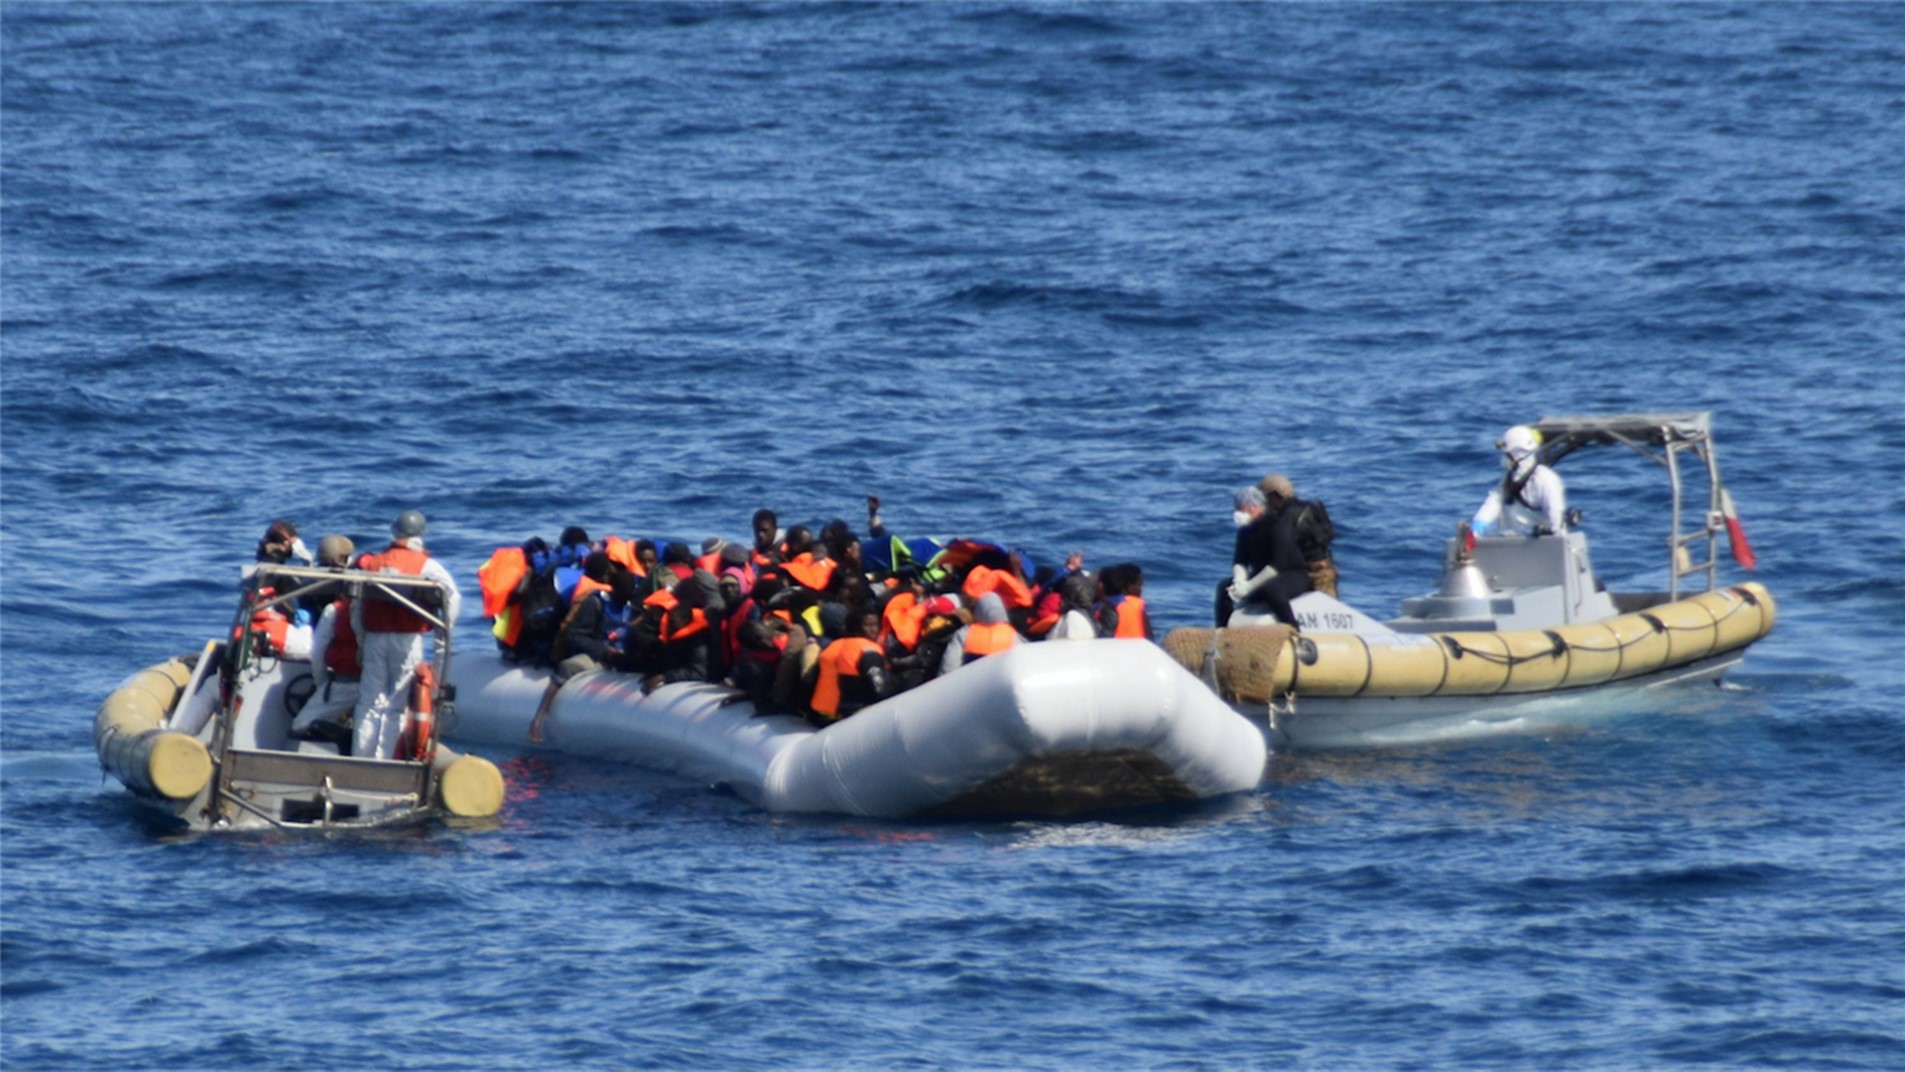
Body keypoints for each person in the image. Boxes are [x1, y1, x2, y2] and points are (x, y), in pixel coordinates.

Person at [351, 510, 462, 760]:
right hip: (408, 638)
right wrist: (443, 631)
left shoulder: (373, 562)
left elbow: (357, 605)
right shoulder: (426, 565)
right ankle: (387, 760)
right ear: (420, 535)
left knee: (368, 702)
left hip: (375, 638)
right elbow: (452, 596)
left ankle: (361, 757)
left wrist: (360, 638)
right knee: (397, 704)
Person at [528, 570, 636, 744]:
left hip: (623, 657)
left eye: (628, 596)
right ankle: (538, 720)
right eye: (622, 596)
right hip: (598, 657)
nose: (625, 600)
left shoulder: (632, 607)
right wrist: (604, 652)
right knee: (568, 666)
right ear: (613, 590)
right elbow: (576, 636)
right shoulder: (595, 603)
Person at [293, 535, 360, 748]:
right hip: (376, 684)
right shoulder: (372, 610)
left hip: (341, 682)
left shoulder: (332, 609)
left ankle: (346, 742)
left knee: (299, 727)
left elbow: (318, 652)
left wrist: (321, 684)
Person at [1225, 486, 1312, 628]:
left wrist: (1249, 587)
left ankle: (1293, 629)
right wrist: (1239, 581)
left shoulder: (1277, 525)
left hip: (1292, 574)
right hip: (1262, 575)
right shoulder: (1244, 532)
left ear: (1255, 507)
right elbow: (1240, 560)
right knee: (1225, 588)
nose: (1239, 513)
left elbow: (1277, 565)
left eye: (1242, 509)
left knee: (1271, 590)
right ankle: (1223, 632)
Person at [1472, 425, 1567, 537]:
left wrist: (1557, 539)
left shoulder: (1545, 479)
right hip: (1512, 543)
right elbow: (1496, 500)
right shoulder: (1509, 477)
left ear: (1517, 454)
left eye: (1507, 454)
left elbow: (1555, 514)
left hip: (1538, 544)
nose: (1504, 458)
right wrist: (1479, 522)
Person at [1259, 474, 1340, 598]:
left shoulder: (1285, 518)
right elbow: (1328, 536)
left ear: (1275, 496)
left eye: (1267, 498)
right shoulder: (1314, 507)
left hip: (1303, 574)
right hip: (1327, 572)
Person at [809, 607, 893, 724]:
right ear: (856, 627)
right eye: (868, 625)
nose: (873, 629)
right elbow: (880, 690)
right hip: (856, 713)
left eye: (875, 625)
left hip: (824, 714)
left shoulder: (833, 646)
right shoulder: (868, 651)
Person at [938, 592, 1019, 675]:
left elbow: (949, 666)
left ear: (978, 610)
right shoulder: (1014, 636)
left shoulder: (965, 633)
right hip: (999, 682)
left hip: (968, 682)